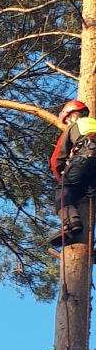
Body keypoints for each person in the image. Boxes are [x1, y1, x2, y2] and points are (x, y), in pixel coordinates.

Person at [50, 100, 96, 246]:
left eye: (68, 120)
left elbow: (57, 159)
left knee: (64, 190)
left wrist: (62, 178)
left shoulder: (75, 126)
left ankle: (70, 224)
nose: (67, 123)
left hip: (87, 154)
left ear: (74, 116)